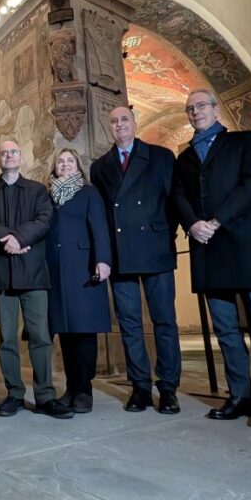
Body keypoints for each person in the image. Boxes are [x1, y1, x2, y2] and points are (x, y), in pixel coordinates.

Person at [172, 89, 251, 428]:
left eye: (201, 106)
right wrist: (193, 224)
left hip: (242, 240)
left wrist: (217, 220)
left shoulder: (243, 141)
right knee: (224, 328)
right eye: (190, 108)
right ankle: (240, 395)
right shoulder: (184, 159)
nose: (196, 112)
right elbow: (178, 195)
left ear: (214, 109)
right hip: (206, 246)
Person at [90, 105, 182, 414]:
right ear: (110, 127)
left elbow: (174, 199)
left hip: (155, 247)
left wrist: (165, 233)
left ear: (134, 122)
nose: (119, 125)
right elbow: (101, 215)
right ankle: (140, 387)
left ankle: (168, 388)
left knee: (164, 322)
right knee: (129, 324)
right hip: (120, 252)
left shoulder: (161, 156)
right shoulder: (100, 166)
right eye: (113, 121)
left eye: (124, 119)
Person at [0, 140, 72, 419]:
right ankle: (14, 393)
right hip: (0, 273)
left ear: (21, 157)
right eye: (3, 153)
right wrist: (12, 239)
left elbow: (44, 219)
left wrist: (19, 238)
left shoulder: (37, 190)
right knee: (7, 338)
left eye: (13, 152)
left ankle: (44, 395)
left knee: (40, 337)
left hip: (33, 273)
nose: (8, 156)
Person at [45, 148, 112, 413]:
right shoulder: (48, 195)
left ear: (78, 166)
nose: (65, 164)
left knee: (84, 331)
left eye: (70, 160)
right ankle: (71, 387)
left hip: (84, 268)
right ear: (54, 167)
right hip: (55, 271)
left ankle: (84, 389)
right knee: (65, 331)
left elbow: (100, 227)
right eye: (60, 161)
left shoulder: (89, 192)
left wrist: (103, 260)